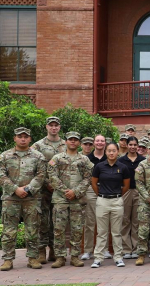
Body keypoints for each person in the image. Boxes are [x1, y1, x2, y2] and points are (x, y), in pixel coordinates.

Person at [0, 127, 46, 271]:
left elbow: (41, 175)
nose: (23, 139)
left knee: (32, 229)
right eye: (20, 136)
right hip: (10, 198)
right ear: (15, 138)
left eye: (26, 136)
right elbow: (1, 175)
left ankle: (33, 258)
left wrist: (27, 189)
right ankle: (7, 260)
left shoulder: (38, 156)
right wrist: (15, 189)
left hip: (31, 198)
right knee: (9, 230)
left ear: (30, 139)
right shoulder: (4, 156)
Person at [47, 131, 93, 268]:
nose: (73, 142)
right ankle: (60, 257)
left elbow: (88, 178)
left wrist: (76, 192)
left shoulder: (84, 160)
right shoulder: (57, 158)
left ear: (79, 143)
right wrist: (65, 191)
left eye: (75, 140)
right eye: (70, 139)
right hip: (60, 199)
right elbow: (52, 176)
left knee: (77, 229)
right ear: (66, 141)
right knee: (59, 229)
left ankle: (74, 256)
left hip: (77, 200)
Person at [90, 143, 130, 268]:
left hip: (117, 201)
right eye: (109, 151)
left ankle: (118, 257)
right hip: (102, 201)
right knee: (101, 232)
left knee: (116, 232)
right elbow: (94, 184)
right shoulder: (99, 166)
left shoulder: (123, 167)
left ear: (118, 152)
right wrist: (102, 194)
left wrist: (116, 195)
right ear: (105, 152)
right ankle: (98, 258)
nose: (111, 153)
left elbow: (126, 186)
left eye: (114, 151)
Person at [32, 116, 66, 264]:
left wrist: (59, 185)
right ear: (46, 127)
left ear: (59, 127)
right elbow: (33, 167)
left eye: (56, 125)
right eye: (51, 125)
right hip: (43, 190)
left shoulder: (66, 144)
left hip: (60, 190)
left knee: (58, 221)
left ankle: (54, 250)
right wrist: (47, 183)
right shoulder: (38, 146)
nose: (53, 128)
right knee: (43, 221)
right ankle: (41, 251)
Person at [82, 134, 109, 260]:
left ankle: (104, 250)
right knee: (90, 221)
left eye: (102, 141)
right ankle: (88, 250)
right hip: (91, 190)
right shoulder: (87, 158)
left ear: (105, 143)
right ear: (94, 143)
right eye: (97, 141)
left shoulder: (109, 157)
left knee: (104, 221)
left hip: (106, 189)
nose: (99, 143)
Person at [118, 137, 145, 260]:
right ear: (127, 145)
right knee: (125, 220)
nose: (133, 147)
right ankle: (126, 249)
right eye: (131, 144)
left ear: (138, 146)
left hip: (139, 192)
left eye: (135, 144)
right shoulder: (121, 160)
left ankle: (136, 248)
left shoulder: (143, 160)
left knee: (137, 221)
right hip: (126, 191)